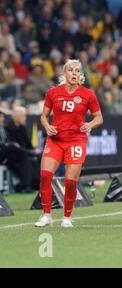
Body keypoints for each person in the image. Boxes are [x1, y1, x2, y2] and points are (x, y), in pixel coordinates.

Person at [35, 59, 103, 228]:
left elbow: (99, 117)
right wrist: (47, 126)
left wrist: (90, 124)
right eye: (71, 70)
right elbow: (44, 116)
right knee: (45, 175)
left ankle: (66, 217)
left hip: (76, 141)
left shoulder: (88, 95)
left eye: (77, 71)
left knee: (70, 181)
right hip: (55, 140)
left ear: (81, 75)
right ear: (64, 73)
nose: (74, 73)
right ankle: (46, 215)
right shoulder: (53, 93)